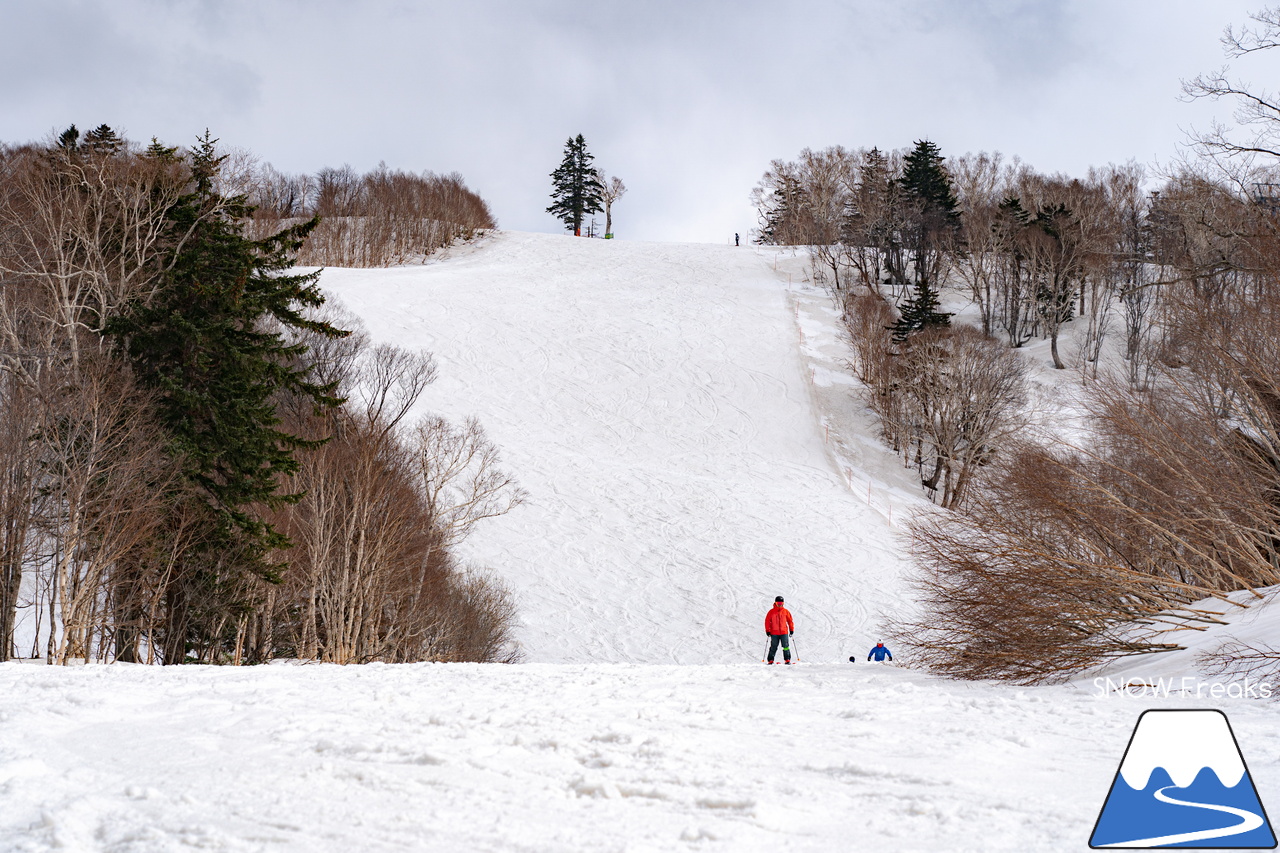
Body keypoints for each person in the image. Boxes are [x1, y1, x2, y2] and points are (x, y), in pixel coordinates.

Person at [764, 595, 794, 664]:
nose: (780, 605)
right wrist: (767, 630)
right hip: (774, 633)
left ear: (783, 603)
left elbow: (790, 621)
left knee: (785, 646)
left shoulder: (786, 611)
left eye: (781, 604)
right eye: (778, 604)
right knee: (773, 647)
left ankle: (787, 659)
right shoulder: (771, 612)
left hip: (784, 632)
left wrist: (791, 629)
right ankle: (770, 660)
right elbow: (767, 621)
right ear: (775, 603)